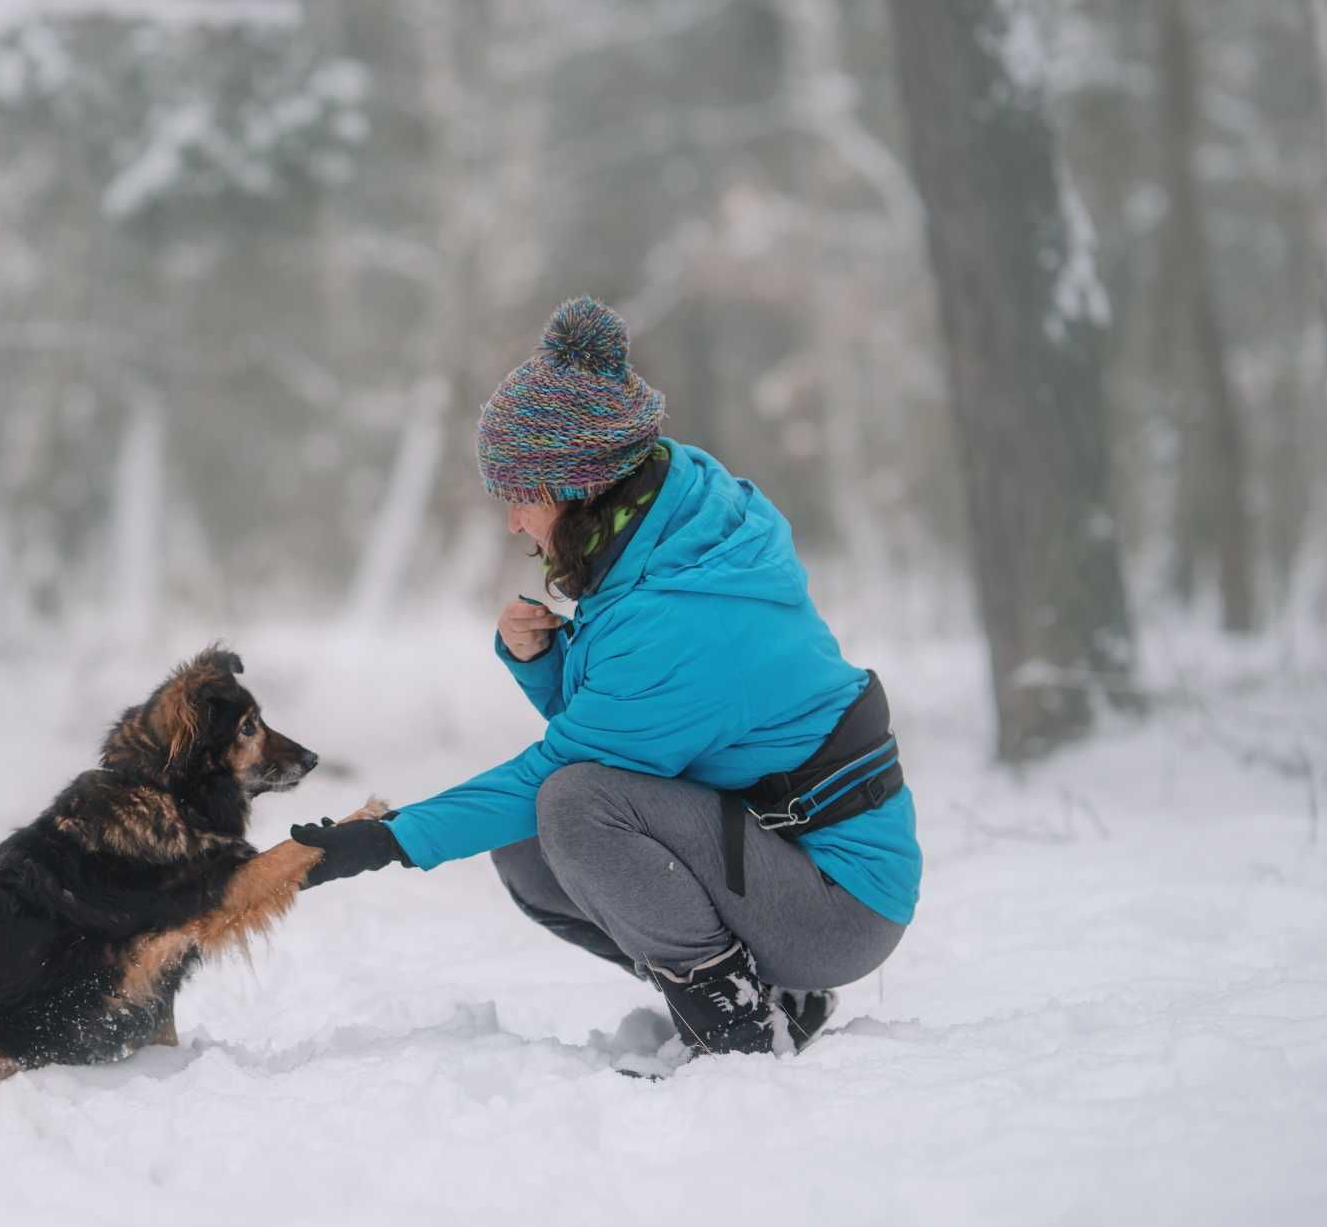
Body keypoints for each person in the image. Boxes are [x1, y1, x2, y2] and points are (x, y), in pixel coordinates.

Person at [292, 296, 921, 1058]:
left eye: (520, 496)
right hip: (781, 852)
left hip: (835, 902)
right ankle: (771, 996)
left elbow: (576, 767)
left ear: (576, 485)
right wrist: (544, 663)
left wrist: (390, 838)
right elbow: (630, 731)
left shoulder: (679, 614)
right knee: (532, 843)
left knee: (567, 804)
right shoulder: (672, 516)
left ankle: (736, 1021)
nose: (513, 523)